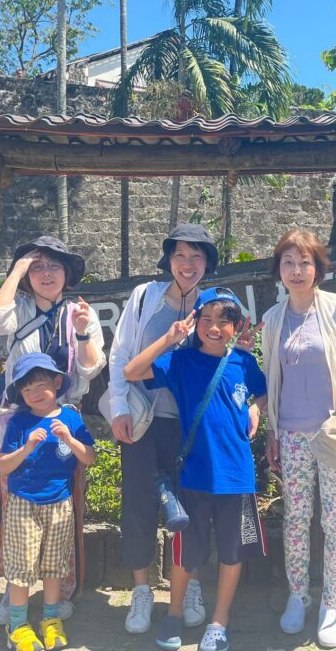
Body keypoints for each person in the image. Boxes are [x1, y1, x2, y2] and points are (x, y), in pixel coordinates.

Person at [124, 287, 267, 651]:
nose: (214, 328)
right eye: (206, 319)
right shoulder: (180, 361)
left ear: (235, 325)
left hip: (237, 476)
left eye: (224, 321)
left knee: (232, 552)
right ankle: (173, 614)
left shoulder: (244, 362)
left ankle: (219, 622)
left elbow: (264, 392)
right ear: (195, 322)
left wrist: (256, 408)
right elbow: (132, 371)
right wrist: (169, 339)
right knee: (186, 550)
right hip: (194, 475)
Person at [260, 229, 336, 648]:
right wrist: (272, 431)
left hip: (332, 434)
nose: (296, 270)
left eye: (304, 262)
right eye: (288, 262)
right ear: (279, 270)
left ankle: (332, 603)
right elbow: (272, 380)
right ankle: (298, 595)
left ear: (318, 268)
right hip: (291, 434)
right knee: (295, 519)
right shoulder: (273, 319)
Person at [105, 224, 219, 635]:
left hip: (191, 425)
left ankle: (189, 585)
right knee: (139, 503)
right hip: (143, 419)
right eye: (180, 255)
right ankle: (141, 590)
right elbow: (120, 355)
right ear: (169, 260)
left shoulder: (213, 304)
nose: (188, 264)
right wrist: (118, 407)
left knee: (192, 505)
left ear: (208, 263)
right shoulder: (145, 297)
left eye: (197, 256)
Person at [0, 236, 106, 623]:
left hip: (63, 421)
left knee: (66, 503)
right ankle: (14, 590)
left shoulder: (80, 312)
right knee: (13, 505)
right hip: (20, 419)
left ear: (67, 274)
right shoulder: (19, 307)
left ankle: (62, 588)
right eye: (38, 267)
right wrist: (19, 266)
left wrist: (83, 332)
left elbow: (91, 368)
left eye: (54, 266)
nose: (46, 273)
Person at [0, 352, 96, 651]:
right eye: (27, 389)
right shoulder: (19, 422)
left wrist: (70, 439)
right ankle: (17, 625)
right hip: (23, 504)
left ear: (56, 382)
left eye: (40, 385)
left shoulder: (71, 417)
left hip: (59, 504)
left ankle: (50, 619)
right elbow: (3, 466)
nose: (34, 393)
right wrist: (27, 448)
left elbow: (89, 458)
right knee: (21, 567)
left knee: (55, 567)